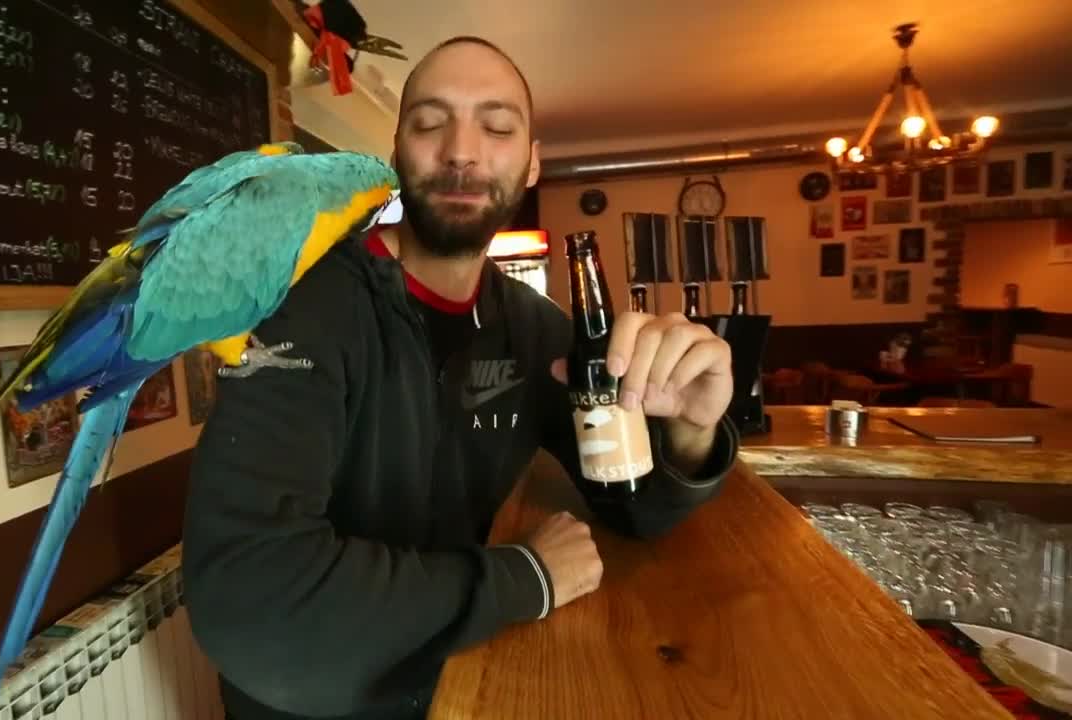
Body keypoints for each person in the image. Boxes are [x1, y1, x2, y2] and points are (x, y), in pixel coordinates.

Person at [182, 36, 740, 720]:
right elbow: (253, 601)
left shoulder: (539, 332)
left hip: (468, 682)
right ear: (396, 153)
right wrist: (524, 578)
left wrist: (689, 431)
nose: (461, 151)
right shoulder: (301, 307)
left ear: (532, 162)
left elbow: (633, 507)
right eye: (429, 122)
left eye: (498, 126)